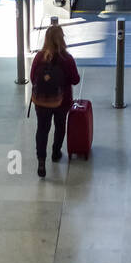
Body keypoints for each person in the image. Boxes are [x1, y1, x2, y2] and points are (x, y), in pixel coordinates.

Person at [29, 23, 80, 178]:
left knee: (42, 129)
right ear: (62, 39)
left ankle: (41, 162)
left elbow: (32, 78)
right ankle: (56, 153)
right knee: (59, 126)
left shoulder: (39, 57)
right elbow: (75, 80)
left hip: (42, 100)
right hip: (62, 101)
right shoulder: (67, 59)